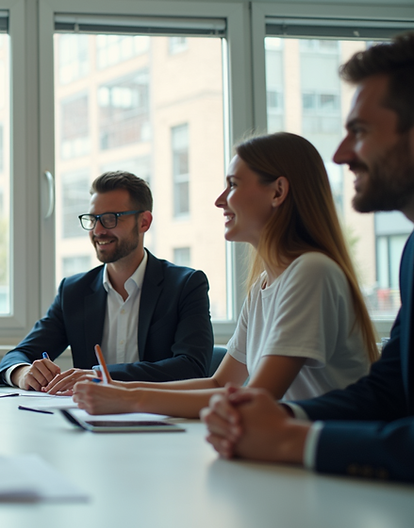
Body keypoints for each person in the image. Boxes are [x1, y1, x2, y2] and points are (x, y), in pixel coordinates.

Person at [202, 33, 414, 483]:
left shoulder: (312, 270)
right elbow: (387, 393)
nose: (340, 155)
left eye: (359, 132)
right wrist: (282, 417)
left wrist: (291, 438)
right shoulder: (412, 252)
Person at [71, 132, 378, 419]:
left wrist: (129, 400)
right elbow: (220, 383)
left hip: (334, 462)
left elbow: (255, 398)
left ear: (278, 192)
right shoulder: (264, 285)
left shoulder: (312, 272)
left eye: (232, 184)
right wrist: (119, 388)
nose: (220, 200)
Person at [0, 171, 213, 393]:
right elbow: (16, 356)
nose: (98, 231)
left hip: (161, 418)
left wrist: (100, 375)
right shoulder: (74, 291)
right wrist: (22, 373)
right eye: (93, 219)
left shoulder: (186, 285)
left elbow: (193, 367)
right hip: (89, 418)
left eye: (110, 218)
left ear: (144, 222)